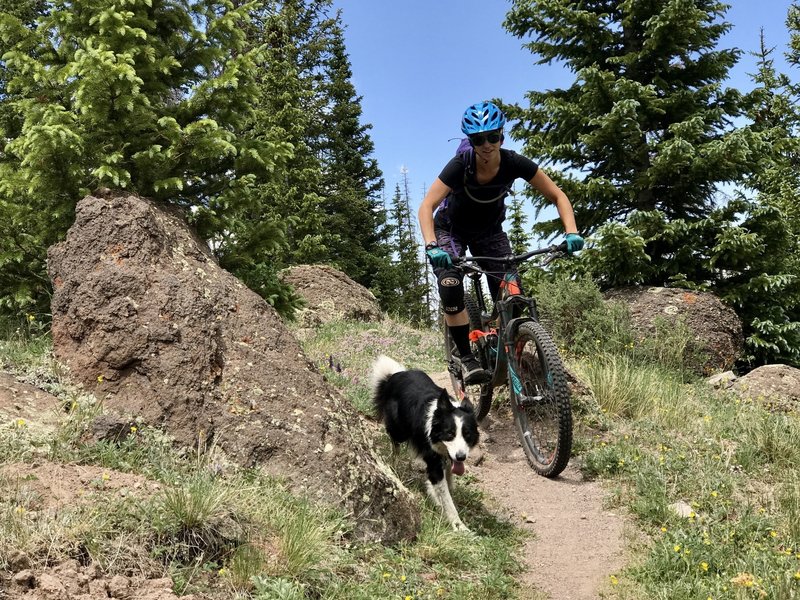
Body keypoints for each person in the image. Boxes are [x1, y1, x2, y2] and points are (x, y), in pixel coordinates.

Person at [418, 100, 584, 385]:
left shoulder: (513, 163)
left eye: (492, 136)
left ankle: (503, 347)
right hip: (451, 231)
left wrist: (571, 231)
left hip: (489, 233)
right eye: (478, 139)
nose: (486, 144)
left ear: (501, 136)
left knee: (513, 293)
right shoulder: (461, 165)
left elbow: (558, 195)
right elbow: (427, 206)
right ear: (470, 141)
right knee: (450, 285)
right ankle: (468, 359)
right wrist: (433, 246)